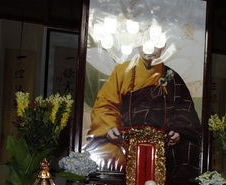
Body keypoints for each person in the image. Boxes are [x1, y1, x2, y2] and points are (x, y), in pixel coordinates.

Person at [84, 45, 201, 173]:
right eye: (145, 43)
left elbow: (185, 110)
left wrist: (178, 130)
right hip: (124, 138)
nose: (150, 49)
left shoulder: (172, 78)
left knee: (185, 155)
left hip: (162, 141)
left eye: (155, 44)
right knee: (110, 157)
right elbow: (105, 103)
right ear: (138, 45)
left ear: (163, 47)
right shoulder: (122, 71)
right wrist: (110, 126)